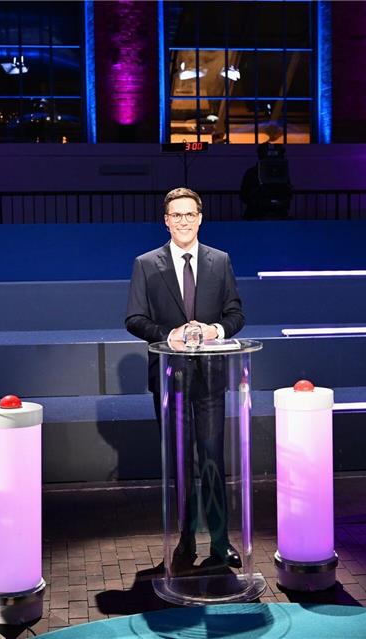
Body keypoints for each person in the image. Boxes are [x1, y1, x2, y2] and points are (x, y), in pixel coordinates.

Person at [125, 187, 246, 569]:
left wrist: (214, 330)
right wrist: (169, 335)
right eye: (175, 215)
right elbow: (134, 319)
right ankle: (186, 539)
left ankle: (222, 542)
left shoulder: (220, 260)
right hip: (168, 379)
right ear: (166, 220)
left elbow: (236, 314)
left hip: (210, 379)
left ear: (200, 217)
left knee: (211, 459)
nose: (183, 221)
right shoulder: (146, 263)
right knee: (180, 462)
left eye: (189, 214)